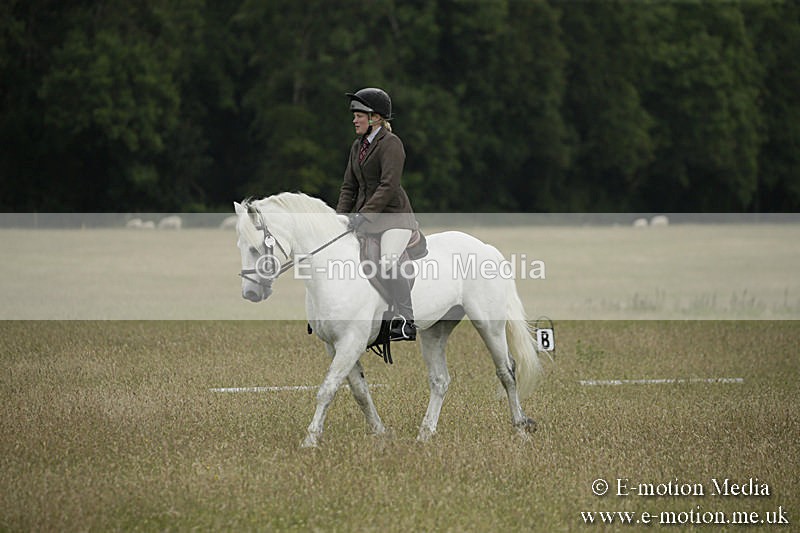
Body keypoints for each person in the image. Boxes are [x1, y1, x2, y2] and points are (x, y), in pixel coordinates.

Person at [336, 87, 417, 341]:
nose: (354, 119)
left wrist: (364, 215)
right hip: (368, 220)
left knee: (388, 261)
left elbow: (388, 185)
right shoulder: (357, 146)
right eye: (355, 115)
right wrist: (339, 218)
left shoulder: (392, 144)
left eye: (359, 115)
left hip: (395, 219)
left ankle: (406, 320)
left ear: (376, 118)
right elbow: (349, 186)